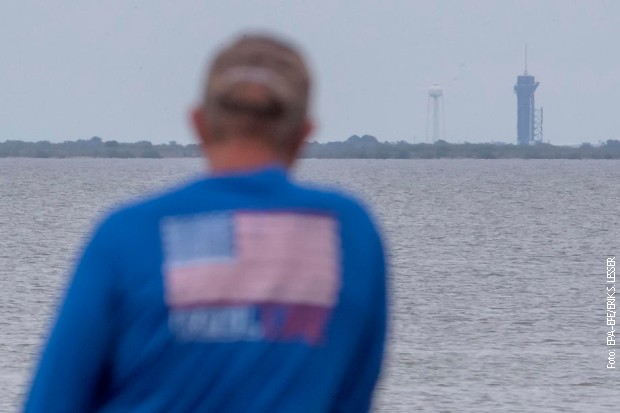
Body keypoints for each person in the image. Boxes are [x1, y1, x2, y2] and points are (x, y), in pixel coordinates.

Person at [25, 33, 387, 413]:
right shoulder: (351, 233)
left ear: (198, 124)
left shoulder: (126, 235)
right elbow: (352, 395)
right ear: (304, 135)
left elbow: (53, 400)